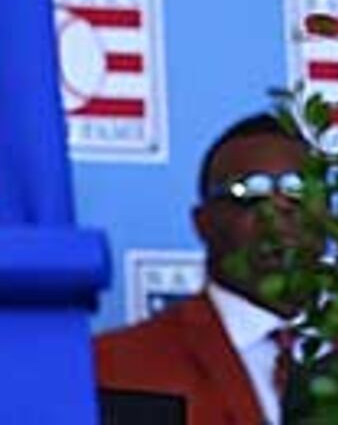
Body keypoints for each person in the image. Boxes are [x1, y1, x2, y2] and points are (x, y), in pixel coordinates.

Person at [94, 113, 320, 425]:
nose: (279, 211)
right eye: (250, 193)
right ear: (203, 222)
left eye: (300, 192)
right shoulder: (118, 364)